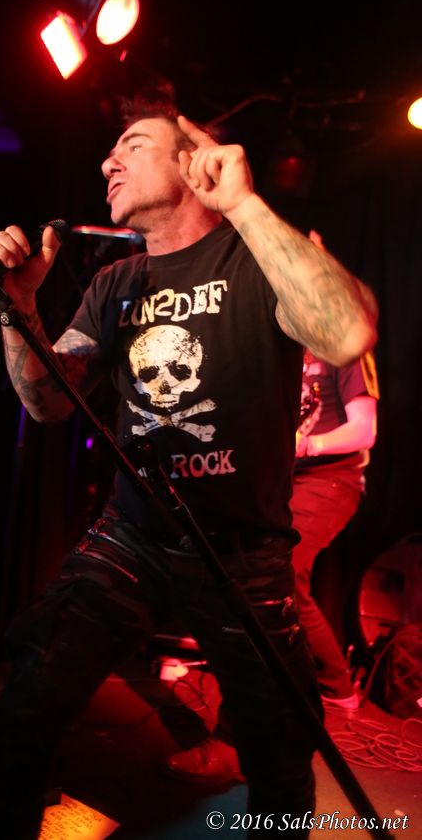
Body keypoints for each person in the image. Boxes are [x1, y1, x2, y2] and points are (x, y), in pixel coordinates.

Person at [0, 100, 377, 837]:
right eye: (110, 150)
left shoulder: (256, 258)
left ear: (191, 162)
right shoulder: (115, 282)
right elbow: (47, 401)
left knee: (280, 755)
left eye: (132, 144)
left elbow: (346, 334)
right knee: (30, 692)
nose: (108, 161)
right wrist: (18, 307)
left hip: (241, 546)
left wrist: (244, 203)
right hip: (133, 533)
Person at [164, 335, 379, 786]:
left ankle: (237, 742)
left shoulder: (344, 349)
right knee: (277, 581)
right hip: (278, 483)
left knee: (271, 575)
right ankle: (334, 687)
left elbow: (365, 430)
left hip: (331, 480)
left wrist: (303, 446)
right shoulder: (273, 347)